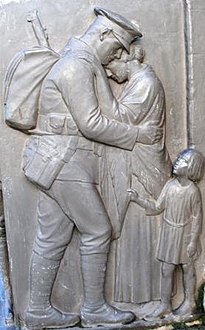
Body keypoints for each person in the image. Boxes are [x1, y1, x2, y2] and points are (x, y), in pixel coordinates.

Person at [23, 7, 162, 329]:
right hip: (64, 160)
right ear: (102, 35)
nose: (115, 56)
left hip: (60, 160)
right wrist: (138, 134)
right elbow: (92, 124)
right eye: (115, 48)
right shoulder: (75, 66)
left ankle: (38, 311)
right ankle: (95, 308)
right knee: (97, 230)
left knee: (52, 237)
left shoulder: (84, 64)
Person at [102, 45, 171, 303]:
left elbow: (121, 118)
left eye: (109, 65)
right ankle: (132, 295)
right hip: (133, 164)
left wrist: (98, 85)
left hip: (144, 169)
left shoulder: (146, 83)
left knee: (139, 226)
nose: (108, 73)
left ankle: (146, 295)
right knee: (132, 229)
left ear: (125, 57)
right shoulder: (138, 82)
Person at [128, 148, 204, 320]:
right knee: (166, 269)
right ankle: (164, 305)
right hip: (169, 233)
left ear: (191, 168)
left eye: (183, 161)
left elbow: (197, 217)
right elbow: (157, 207)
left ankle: (190, 301)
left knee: (187, 267)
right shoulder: (170, 186)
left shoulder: (192, 191)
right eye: (179, 158)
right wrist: (138, 198)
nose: (177, 162)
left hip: (184, 234)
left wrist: (193, 241)